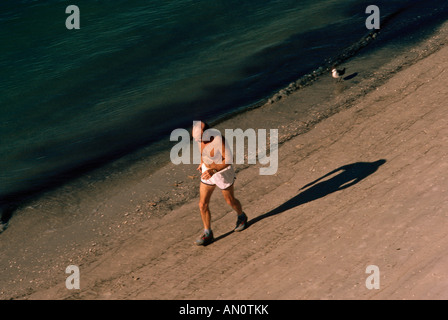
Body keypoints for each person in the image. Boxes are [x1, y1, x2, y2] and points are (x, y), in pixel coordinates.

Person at [192, 121, 247, 246]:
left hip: (222, 172)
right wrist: (202, 162)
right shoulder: (199, 139)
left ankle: (242, 216)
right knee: (202, 204)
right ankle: (208, 233)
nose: (197, 140)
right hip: (208, 171)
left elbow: (228, 159)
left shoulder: (218, 139)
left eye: (199, 138)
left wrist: (214, 169)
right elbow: (203, 151)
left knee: (230, 200)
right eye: (195, 138)